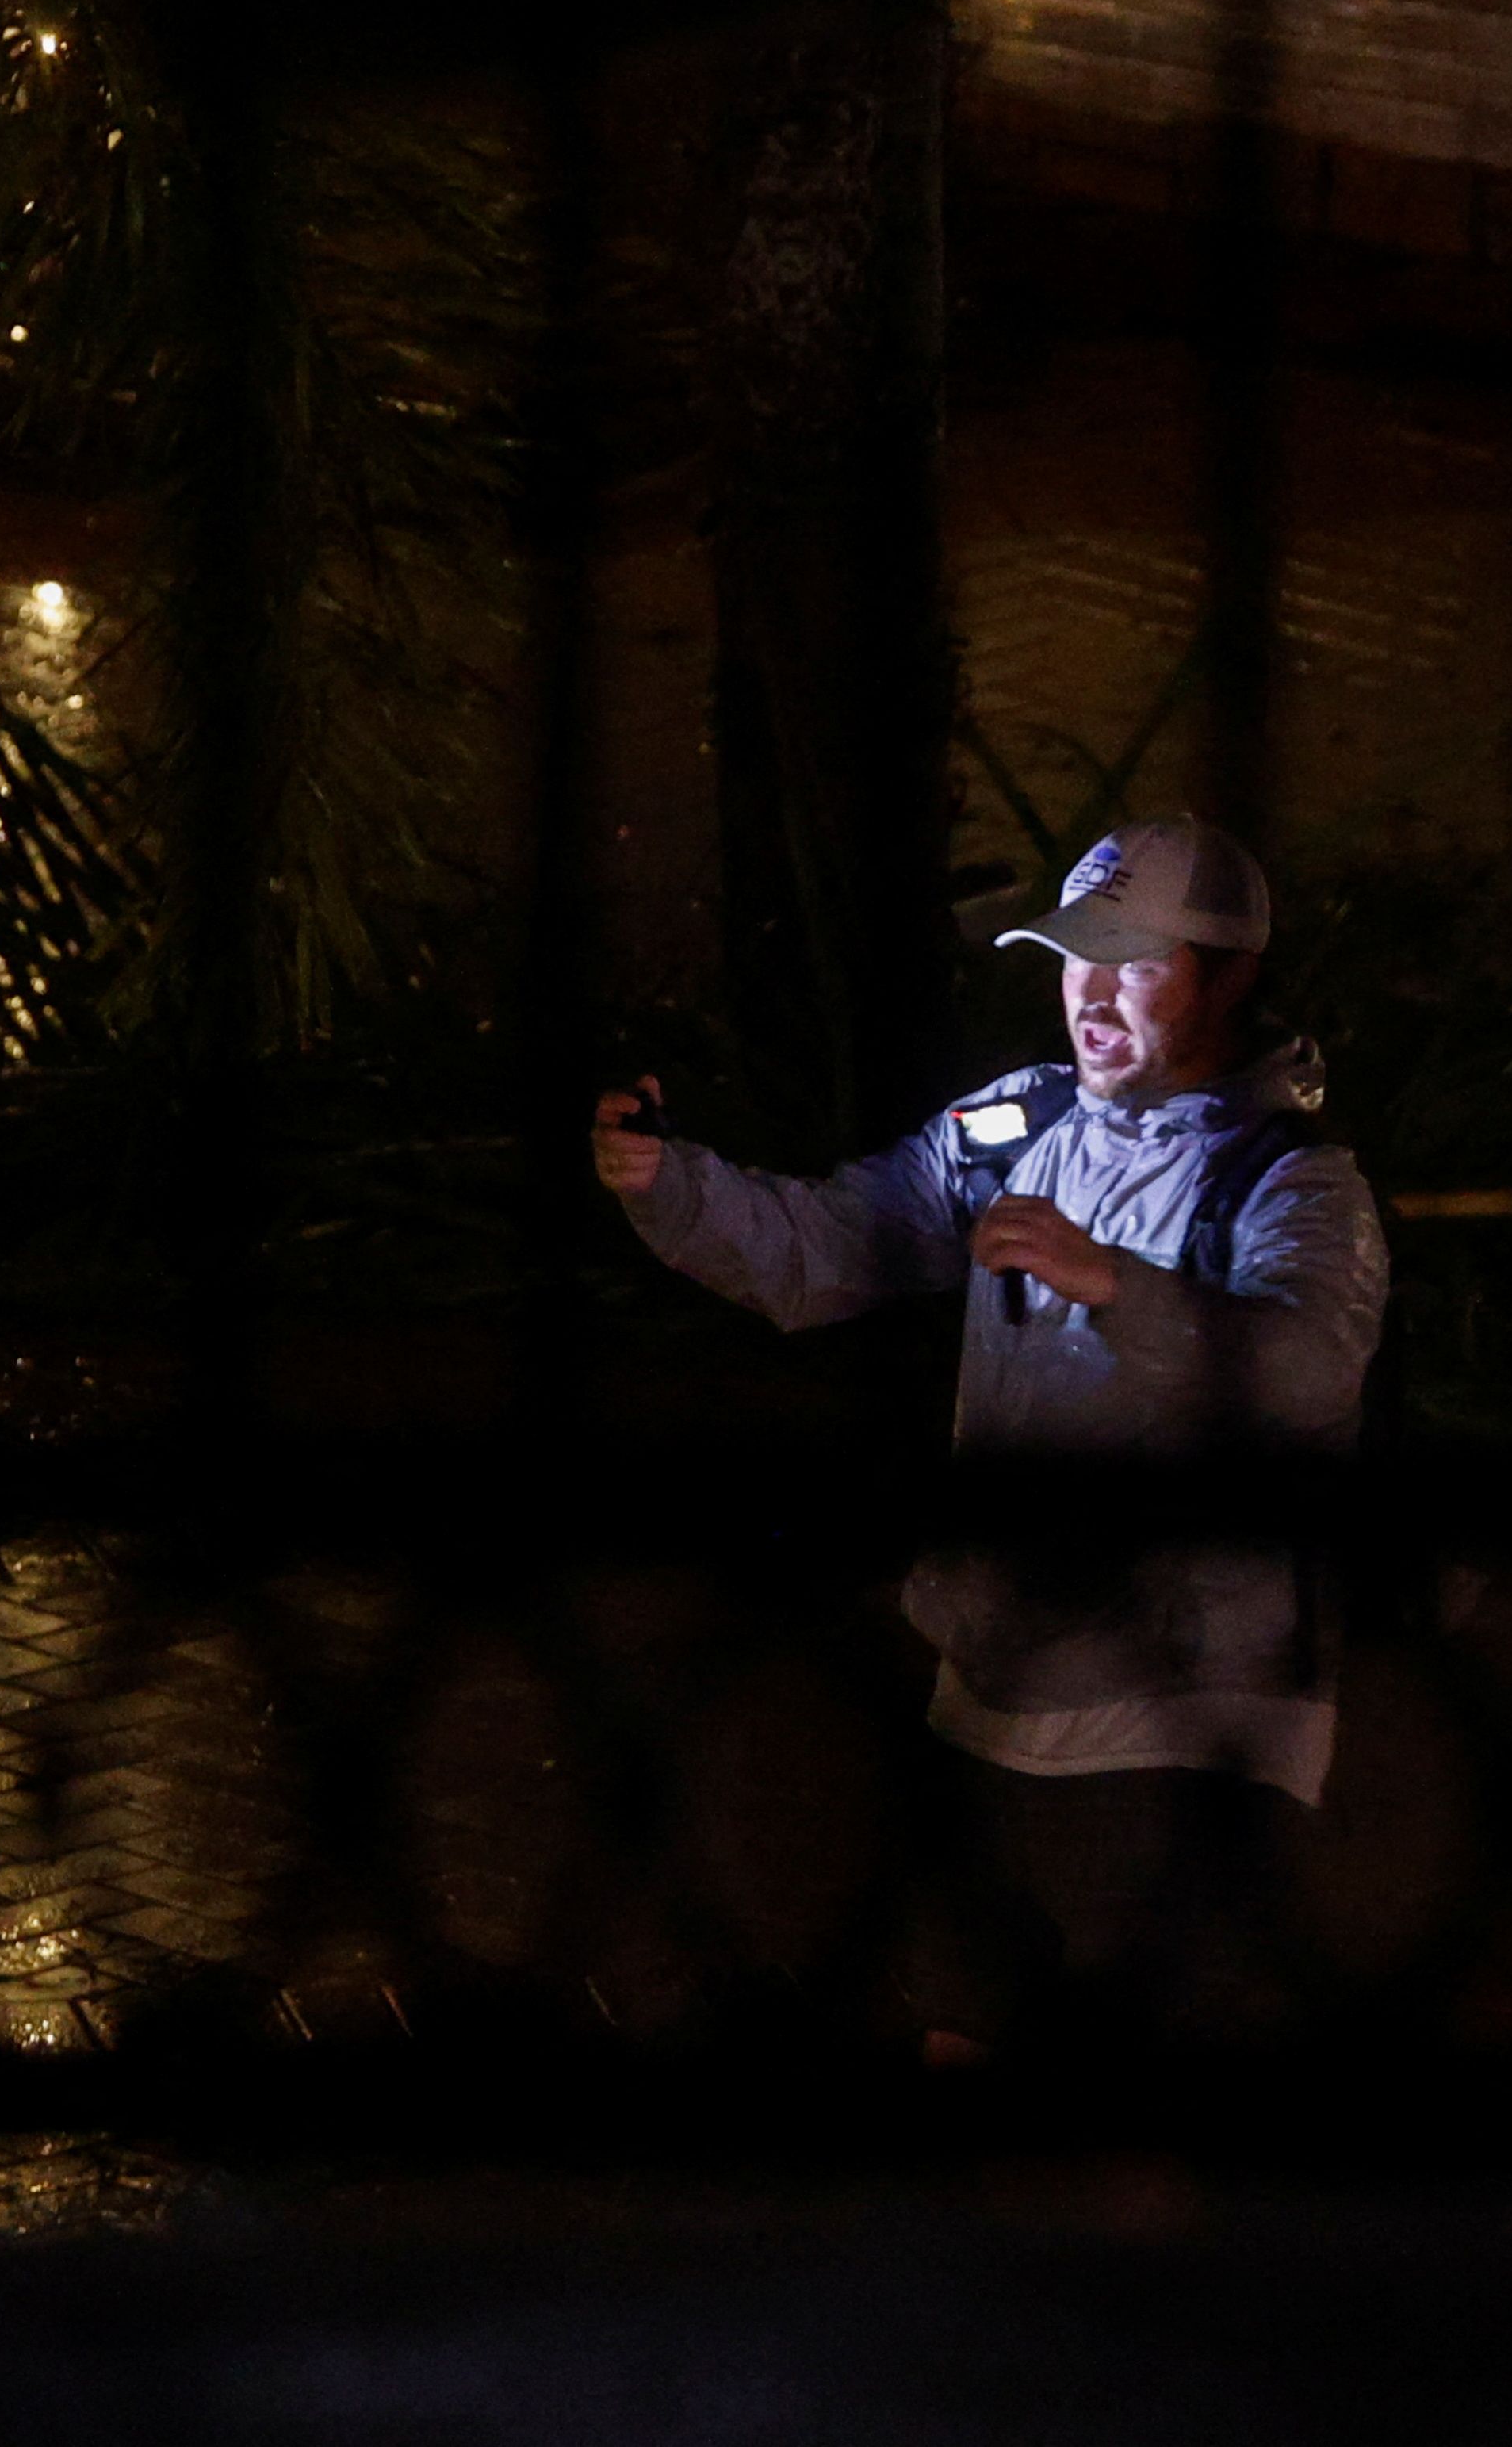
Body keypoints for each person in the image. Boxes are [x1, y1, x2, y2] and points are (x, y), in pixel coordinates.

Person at [595, 815, 1390, 2039]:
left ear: (1230, 975)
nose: (1092, 994)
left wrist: (1119, 1284)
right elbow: (821, 1248)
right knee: (959, 2030)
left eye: (1135, 960)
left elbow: (1308, 1373)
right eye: (1074, 955)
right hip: (998, 1681)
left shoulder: (1293, 1181)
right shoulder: (1020, 1126)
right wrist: (669, 1184)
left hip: (1185, 1710)